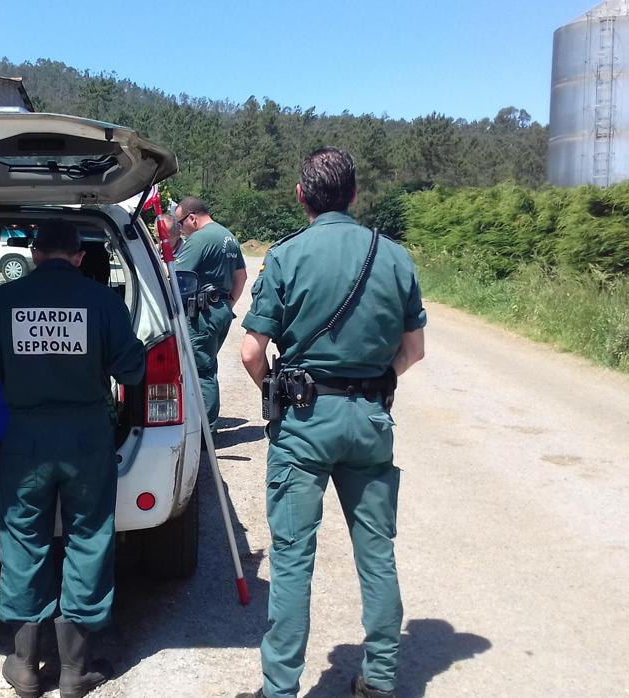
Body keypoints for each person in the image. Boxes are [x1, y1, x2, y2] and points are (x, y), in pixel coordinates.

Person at [238, 148, 426, 698]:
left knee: (294, 557)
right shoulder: (393, 256)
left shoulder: (286, 256)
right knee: (376, 550)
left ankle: (280, 689)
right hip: (369, 420)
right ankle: (381, 678)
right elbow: (413, 349)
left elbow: (252, 352)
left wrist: (276, 391)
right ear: (355, 195)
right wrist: (376, 382)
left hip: (302, 422)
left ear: (301, 196)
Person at [0, 220, 145, 698]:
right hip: (87, 437)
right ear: (79, 257)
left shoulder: (2, 301)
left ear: (35, 254)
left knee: (24, 542)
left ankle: (24, 667)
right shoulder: (103, 301)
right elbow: (132, 368)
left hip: (25, 438)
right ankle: (75, 671)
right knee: (88, 538)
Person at [173, 196, 246, 432]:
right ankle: (206, 425)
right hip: (220, 310)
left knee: (201, 371)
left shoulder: (199, 239)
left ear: (192, 218)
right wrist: (227, 304)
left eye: (180, 223)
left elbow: (175, 277)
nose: (179, 229)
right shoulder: (229, 237)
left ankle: (205, 431)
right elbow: (241, 277)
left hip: (202, 314)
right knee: (208, 366)